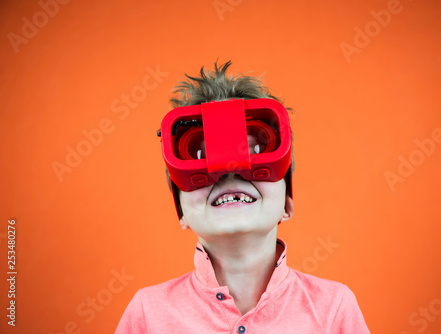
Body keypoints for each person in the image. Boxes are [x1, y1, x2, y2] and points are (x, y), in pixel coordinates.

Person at [115, 60, 370, 333]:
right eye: (201, 155)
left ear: (287, 202)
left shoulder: (333, 309)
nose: (229, 172)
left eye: (255, 152)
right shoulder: (148, 314)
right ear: (181, 212)